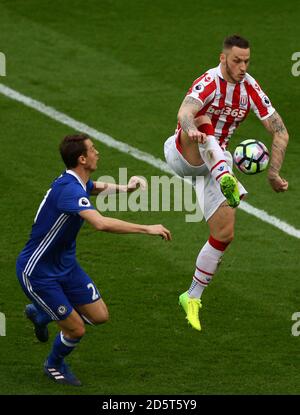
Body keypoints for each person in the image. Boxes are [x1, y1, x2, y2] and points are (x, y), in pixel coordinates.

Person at [16, 134, 171, 386]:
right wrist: (147, 228)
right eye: (92, 149)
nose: (97, 152)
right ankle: (53, 364)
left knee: (99, 316)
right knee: (76, 329)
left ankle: (43, 313)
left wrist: (127, 189)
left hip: (65, 265)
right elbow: (100, 223)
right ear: (82, 158)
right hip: (38, 272)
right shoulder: (68, 190)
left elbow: (94, 187)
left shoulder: (76, 182)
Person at [164, 34, 289, 332]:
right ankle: (226, 177)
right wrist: (191, 128)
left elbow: (280, 131)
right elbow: (185, 111)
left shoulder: (250, 88)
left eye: (246, 60)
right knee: (205, 123)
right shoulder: (208, 81)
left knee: (224, 233)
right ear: (223, 58)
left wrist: (273, 172)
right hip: (185, 152)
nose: (242, 66)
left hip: (214, 162)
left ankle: (191, 297)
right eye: (236, 60)